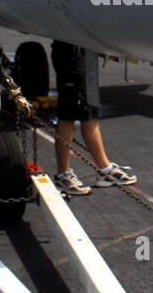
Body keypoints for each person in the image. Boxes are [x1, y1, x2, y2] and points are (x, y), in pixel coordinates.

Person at [49, 40, 137, 195]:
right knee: (68, 115)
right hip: (72, 55)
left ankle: (105, 169)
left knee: (90, 113)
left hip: (86, 55)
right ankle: (63, 174)